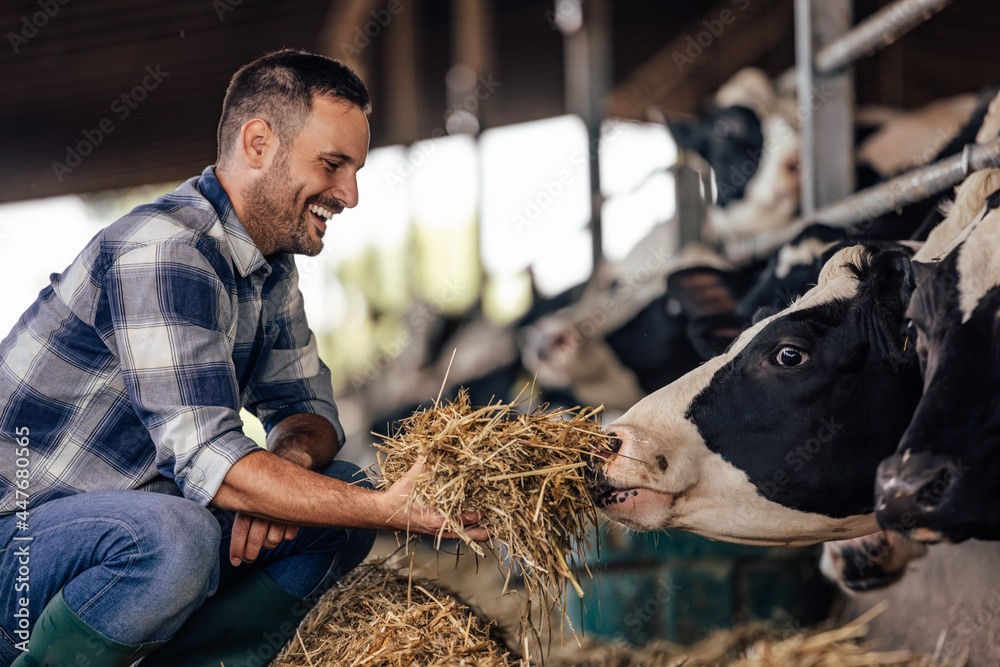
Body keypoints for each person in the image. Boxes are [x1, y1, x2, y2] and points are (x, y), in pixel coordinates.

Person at [0, 49, 487, 667]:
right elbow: (209, 457)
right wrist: (388, 510)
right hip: (19, 551)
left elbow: (308, 410)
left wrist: (289, 464)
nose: (352, 195)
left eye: (357, 170)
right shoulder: (165, 251)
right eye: (334, 165)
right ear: (258, 143)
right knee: (177, 539)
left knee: (333, 504)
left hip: (120, 527)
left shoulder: (266, 267)